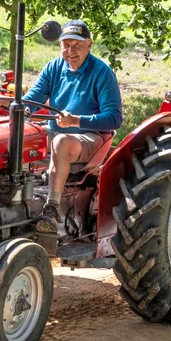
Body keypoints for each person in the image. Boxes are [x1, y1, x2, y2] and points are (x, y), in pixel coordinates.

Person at [23, 19, 123, 234]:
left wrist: (77, 120)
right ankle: (15, 196)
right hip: (57, 130)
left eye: (76, 46)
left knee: (61, 142)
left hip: (90, 136)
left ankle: (51, 207)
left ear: (89, 44)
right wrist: (15, 109)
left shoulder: (102, 72)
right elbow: (32, 99)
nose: (71, 51)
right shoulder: (54, 67)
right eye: (66, 45)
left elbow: (114, 118)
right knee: (20, 135)